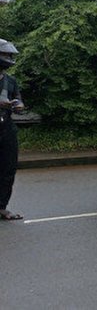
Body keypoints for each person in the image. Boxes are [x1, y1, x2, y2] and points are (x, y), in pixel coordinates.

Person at [0, 39, 24, 221]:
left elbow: (18, 97)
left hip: (6, 127)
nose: (8, 58)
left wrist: (18, 105)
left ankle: (2, 207)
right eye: (5, 55)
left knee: (8, 168)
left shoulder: (11, 81)